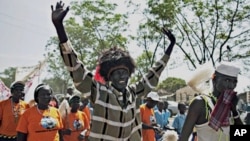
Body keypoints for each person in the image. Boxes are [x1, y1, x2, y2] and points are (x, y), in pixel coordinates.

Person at [51, 1, 176, 140]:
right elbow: (76, 68)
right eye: (117, 73)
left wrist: (170, 47)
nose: (122, 75)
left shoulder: (134, 92)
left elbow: (154, 73)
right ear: (109, 77)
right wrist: (59, 27)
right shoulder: (100, 92)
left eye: (124, 72)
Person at [179, 63, 244, 141]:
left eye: (234, 82)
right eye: (227, 80)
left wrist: (235, 111)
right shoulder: (201, 103)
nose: (231, 85)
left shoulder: (229, 105)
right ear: (214, 78)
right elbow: (183, 138)